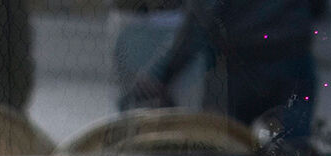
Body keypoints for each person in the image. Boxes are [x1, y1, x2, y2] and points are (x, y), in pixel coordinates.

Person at [126, 0, 321, 145]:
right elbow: (319, 8)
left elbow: (200, 22)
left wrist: (161, 74)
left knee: (222, 149)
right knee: (292, 151)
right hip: (291, 57)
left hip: (238, 68)